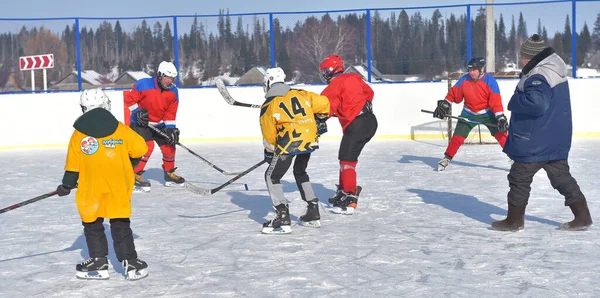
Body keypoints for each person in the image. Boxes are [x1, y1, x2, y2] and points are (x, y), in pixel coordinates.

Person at [492, 34, 593, 231]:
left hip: (534, 141)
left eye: (522, 57)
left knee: (519, 178)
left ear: (529, 57)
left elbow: (538, 104)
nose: (521, 60)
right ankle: (583, 216)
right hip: (555, 140)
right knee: (562, 178)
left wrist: (514, 102)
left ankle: (514, 221)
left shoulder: (538, 75)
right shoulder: (554, 71)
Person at [55, 88, 149, 280]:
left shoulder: (78, 135)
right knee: (120, 222)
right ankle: (131, 263)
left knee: (92, 223)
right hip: (118, 186)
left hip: (91, 188)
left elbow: (73, 167)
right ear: (106, 105)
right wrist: (129, 164)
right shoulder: (121, 129)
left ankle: (99, 262)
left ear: (84, 108)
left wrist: (66, 185)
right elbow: (141, 148)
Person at [260, 67, 331, 234]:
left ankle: (282, 215)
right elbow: (325, 104)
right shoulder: (302, 94)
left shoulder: (269, 104)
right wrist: (320, 119)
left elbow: (269, 136)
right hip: (309, 140)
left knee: (272, 176)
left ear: (269, 82)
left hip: (288, 143)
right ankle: (313, 210)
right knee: (300, 171)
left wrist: (270, 152)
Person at [319, 55, 378, 215]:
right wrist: (350, 108)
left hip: (356, 125)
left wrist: (316, 117)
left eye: (325, 71)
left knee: (346, 160)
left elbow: (325, 108)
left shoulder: (333, 85)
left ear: (330, 71)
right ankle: (344, 190)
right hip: (370, 122)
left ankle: (350, 196)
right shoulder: (354, 77)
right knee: (347, 157)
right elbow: (369, 93)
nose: (324, 74)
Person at [432, 56, 509, 171]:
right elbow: (453, 94)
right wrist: (445, 104)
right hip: (469, 113)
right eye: (470, 70)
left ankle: (515, 158)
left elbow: (495, 101)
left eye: (474, 70)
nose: (471, 72)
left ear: (481, 69)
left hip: (487, 113)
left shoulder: (490, 81)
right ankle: (447, 158)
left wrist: (500, 117)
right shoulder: (464, 80)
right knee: (457, 137)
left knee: (502, 135)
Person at [125, 61, 184, 192]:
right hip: (140, 123)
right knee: (147, 146)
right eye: (167, 77)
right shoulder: (144, 84)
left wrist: (170, 129)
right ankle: (134, 174)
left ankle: (169, 174)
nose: (169, 81)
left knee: (169, 145)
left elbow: (170, 113)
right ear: (159, 75)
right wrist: (137, 112)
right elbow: (129, 99)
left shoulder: (173, 92)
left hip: (158, 123)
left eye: (172, 78)